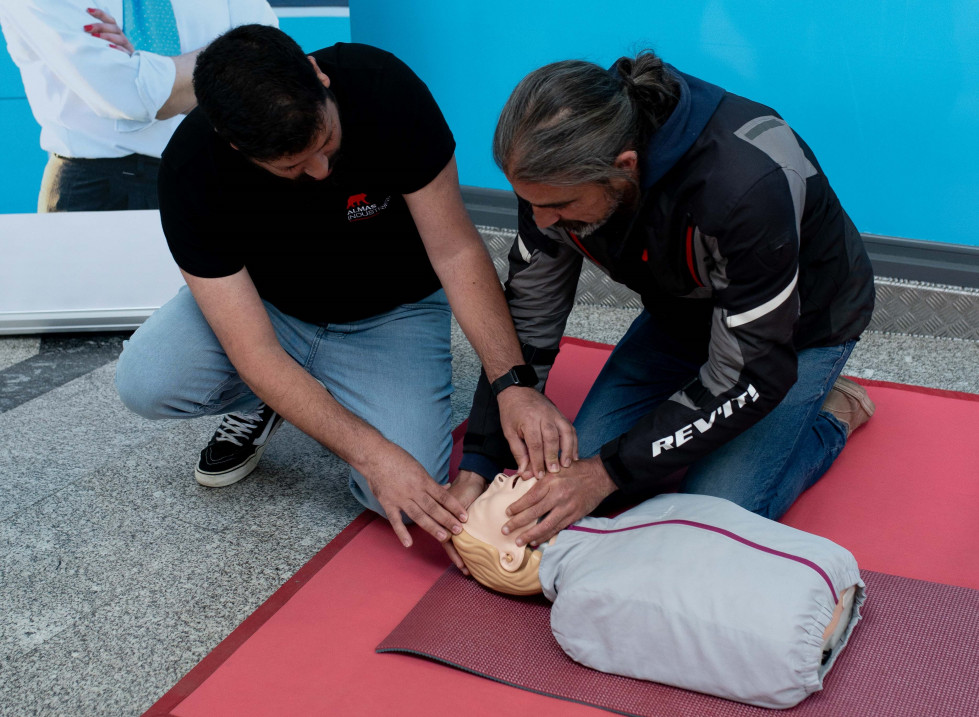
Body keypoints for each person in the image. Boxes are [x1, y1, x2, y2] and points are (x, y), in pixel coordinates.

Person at [114, 25, 574, 549]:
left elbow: (456, 251)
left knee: (410, 495)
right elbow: (255, 352)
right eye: (292, 166)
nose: (321, 170)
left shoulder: (384, 87)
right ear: (237, 144)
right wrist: (371, 453)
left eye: (326, 142)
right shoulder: (189, 169)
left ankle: (307, 397)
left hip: (392, 312)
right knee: (147, 379)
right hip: (269, 314)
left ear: (317, 75)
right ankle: (274, 401)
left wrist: (511, 383)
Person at [452, 51, 877, 554]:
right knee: (567, 481)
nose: (542, 221)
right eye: (532, 203)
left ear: (624, 168)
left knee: (704, 519)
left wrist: (606, 471)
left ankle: (831, 413)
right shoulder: (554, 173)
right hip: (682, 318)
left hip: (796, 332)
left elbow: (750, 373)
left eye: (559, 207)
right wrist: (477, 466)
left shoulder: (743, 184)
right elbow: (529, 313)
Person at [452, 472, 863, 709]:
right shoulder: (581, 602)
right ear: (510, 556)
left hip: (822, 589)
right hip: (804, 624)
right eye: (495, 493)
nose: (504, 476)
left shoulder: (643, 511)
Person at [0, 1, 276, 212]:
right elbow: (128, 95)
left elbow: (267, 58)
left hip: (216, 177)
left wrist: (148, 68)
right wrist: (233, 57)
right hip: (101, 191)